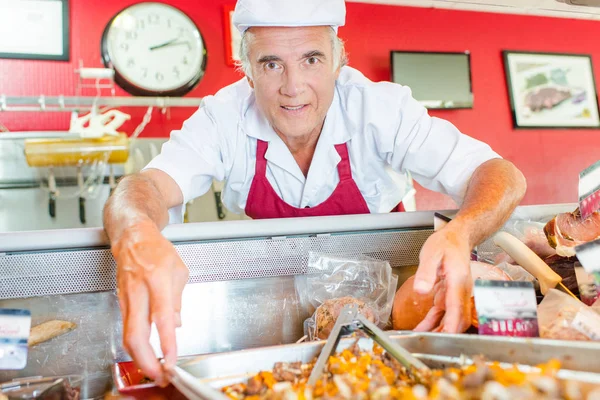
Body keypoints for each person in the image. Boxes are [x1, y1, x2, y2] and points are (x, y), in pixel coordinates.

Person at [103, 0, 526, 385]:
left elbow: (499, 173)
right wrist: (137, 231)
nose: (293, 86)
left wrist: (462, 231)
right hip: (274, 296)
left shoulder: (380, 108)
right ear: (246, 67)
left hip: (388, 300)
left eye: (311, 59)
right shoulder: (222, 118)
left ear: (339, 59)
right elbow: (144, 187)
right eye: (271, 64)